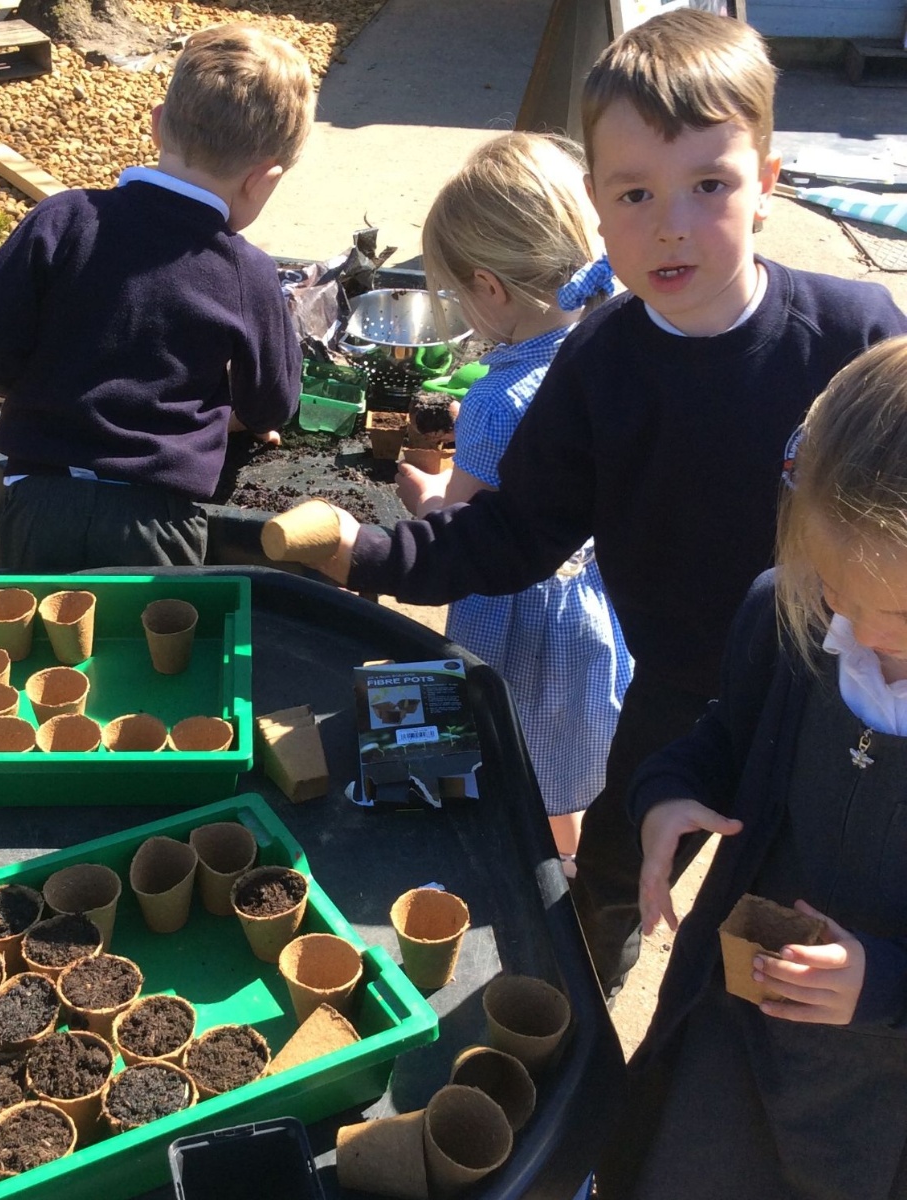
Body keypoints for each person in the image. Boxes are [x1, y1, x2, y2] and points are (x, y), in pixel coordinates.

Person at [305, 9, 907, 997]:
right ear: (595, 204)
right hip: (670, 687)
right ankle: (585, 1023)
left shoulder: (857, 339)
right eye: (635, 193)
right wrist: (368, 554)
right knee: (616, 882)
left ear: (768, 183)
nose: (669, 222)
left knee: (807, 914)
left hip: (838, 680)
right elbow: (517, 531)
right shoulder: (600, 363)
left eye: (707, 184)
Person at [595, 336, 907, 1200]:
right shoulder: (790, 614)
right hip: (735, 1030)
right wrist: (667, 795)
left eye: (899, 613)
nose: (858, 628)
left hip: (879, 1105)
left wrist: (881, 983)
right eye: (835, 588)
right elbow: (728, 737)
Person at [0, 23, 313, 572]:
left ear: (158, 124)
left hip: (36, 502)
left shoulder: (64, 218)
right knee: (150, 656)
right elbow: (273, 404)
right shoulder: (248, 272)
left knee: (38, 650)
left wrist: (39, 389)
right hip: (155, 522)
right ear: (264, 180)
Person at [398, 132, 632, 866]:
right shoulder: (614, 344)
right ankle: (574, 868)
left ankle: (538, 880)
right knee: (567, 765)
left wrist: (426, 493)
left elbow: (460, 528)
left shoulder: (500, 402)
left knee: (517, 763)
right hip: (594, 605)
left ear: (490, 288)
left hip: (520, 619)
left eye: (461, 294)